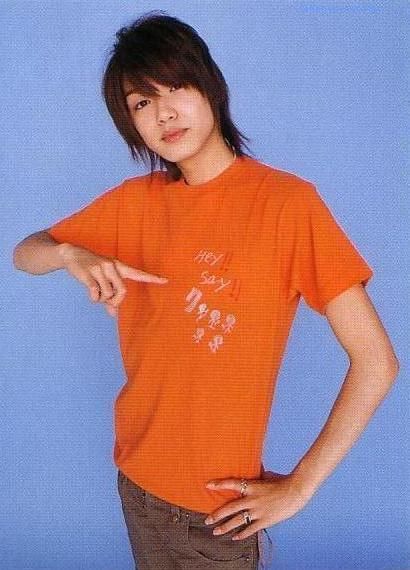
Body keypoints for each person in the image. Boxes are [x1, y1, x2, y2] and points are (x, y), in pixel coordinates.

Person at [13, 10, 399, 570]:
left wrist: (301, 485)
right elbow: (26, 253)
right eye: (141, 103)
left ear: (210, 87)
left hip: (218, 511)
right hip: (137, 482)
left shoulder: (287, 204)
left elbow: (376, 361)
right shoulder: (133, 202)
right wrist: (70, 254)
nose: (163, 112)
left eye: (175, 87)